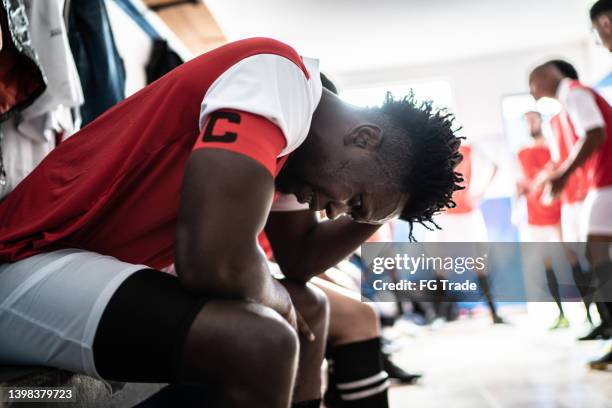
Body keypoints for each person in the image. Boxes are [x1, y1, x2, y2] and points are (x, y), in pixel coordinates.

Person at [0, 38, 464, 407]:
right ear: (363, 137)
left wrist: (388, 205)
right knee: (261, 342)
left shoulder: (298, 150)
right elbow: (213, 259)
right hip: (24, 258)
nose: (336, 212)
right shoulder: (276, 77)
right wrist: (276, 298)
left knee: (309, 306)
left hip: (85, 262)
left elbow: (300, 259)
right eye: (354, 201)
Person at [529, 58, 612, 370]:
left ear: (549, 75)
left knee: (597, 254)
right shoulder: (571, 99)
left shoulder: (575, 93)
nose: (532, 90)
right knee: (596, 254)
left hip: (606, 181)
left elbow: (595, 134)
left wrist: (563, 175)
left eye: (533, 82)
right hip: (601, 183)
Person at [517, 111, 593, 329]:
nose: (530, 123)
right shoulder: (522, 153)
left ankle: (591, 315)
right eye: (526, 120)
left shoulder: (555, 149)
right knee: (547, 264)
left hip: (559, 214)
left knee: (574, 258)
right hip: (535, 217)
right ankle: (561, 315)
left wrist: (547, 176)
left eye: (533, 118)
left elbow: (559, 174)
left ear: (541, 120)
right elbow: (528, 183)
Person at [425, 143, 504, 324]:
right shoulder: (436, 151)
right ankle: (437, 315)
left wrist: (480, 193)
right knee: (441, 266)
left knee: (480, 264)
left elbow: (495, 166)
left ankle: (494, 313)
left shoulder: (469, 149)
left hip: (468, 215)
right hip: (446, 216)